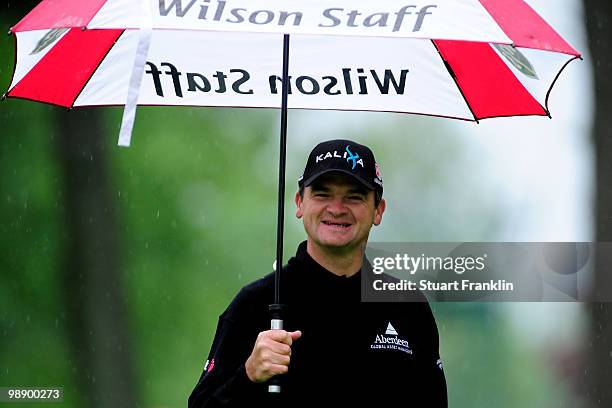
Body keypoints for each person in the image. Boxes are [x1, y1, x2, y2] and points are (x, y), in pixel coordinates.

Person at [188, 139, 447, 407]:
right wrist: (248, 375)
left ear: (378, 210)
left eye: (354, 196)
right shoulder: (256, 303)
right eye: (322, 194)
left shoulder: (407, 306)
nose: (336, 209)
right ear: (300, 203)